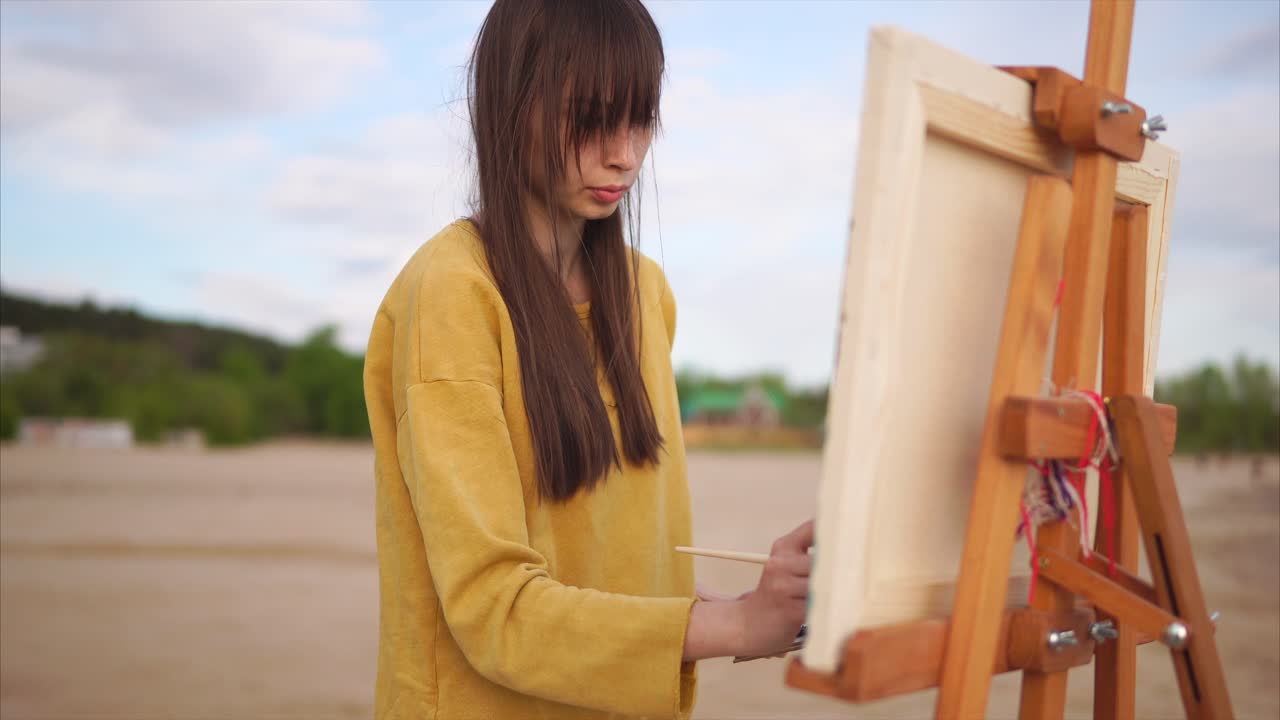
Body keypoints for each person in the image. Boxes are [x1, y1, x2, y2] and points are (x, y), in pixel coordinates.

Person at [362, 1, 813, 717]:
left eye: (640, 119)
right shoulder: (454, 294)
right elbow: (492, 608)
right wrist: (730, 625)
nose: (625, 153)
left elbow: (619, 564)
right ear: (514, 104)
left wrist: (758, 608)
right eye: (594, 116)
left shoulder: (645, 295)